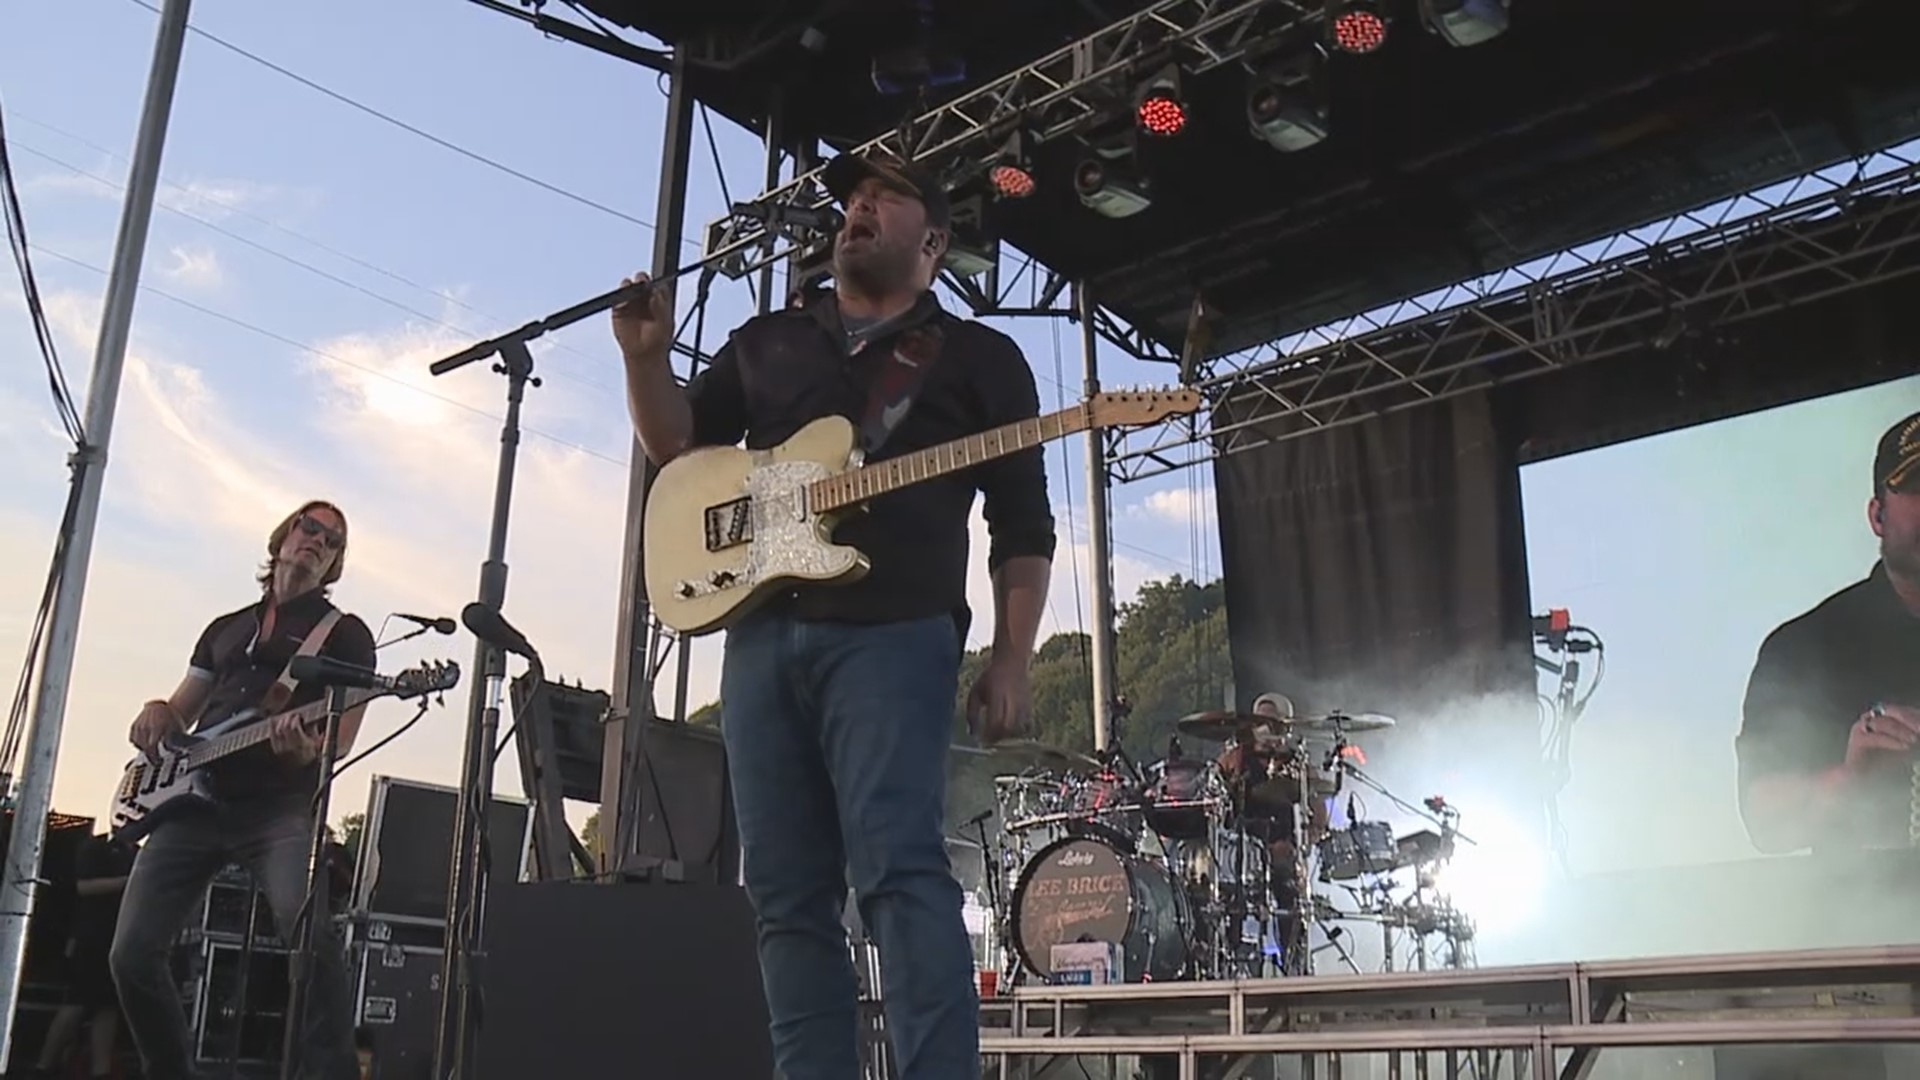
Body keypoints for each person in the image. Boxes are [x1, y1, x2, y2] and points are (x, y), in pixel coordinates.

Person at [613, 150, 1055, 1080]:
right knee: (782, 895)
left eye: (883, 198)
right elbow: (679, 450)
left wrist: (1012, 657)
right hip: (762, 633)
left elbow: (1023, 524)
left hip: (896, 636)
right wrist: (644, 358)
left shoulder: (980, 359)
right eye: (853, 197)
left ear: (932, 240)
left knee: (896, 871)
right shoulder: (771, 337)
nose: (856, 209)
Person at [111, 502, 376, 1080]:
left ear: (333, 564)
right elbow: (181, 714)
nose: (318, 541)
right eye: (310, 527)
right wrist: (156, 710)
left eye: (333, 540)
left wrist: (307, 750)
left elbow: (340, 738)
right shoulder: (227, 627)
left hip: (277, 808)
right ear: (282, 537)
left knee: (308, 934)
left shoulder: (347, 636)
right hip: (191, 802)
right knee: (130, 954)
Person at [1736, 410, 1920, 854]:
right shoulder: (1805, 648)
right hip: (1869, 919)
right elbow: (1765, 823)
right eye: (1918, 487)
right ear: (1878, 516)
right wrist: (1850, 778)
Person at [25, 831, 134, 1080]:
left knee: (108, 1006)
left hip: (116, 936)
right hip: (90, 938)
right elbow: (84, 886)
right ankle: (44, 1066)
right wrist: (128, 881)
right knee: (77, 1002)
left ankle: (101, 1070)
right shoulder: (94, 847)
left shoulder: (135, 853)